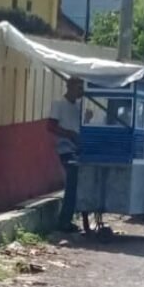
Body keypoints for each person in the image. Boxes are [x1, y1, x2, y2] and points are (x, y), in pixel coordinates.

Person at [47, 77, 84, 232]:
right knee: (72, 183)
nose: (81, 91)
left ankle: (69, 218)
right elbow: (51, 126)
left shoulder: (79, 106)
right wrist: (68, 134)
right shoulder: (59, 104)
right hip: (65, 149)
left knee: (77, 183)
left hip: (78, 149)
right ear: (69, 87)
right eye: (79, 88)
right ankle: (64, 221)